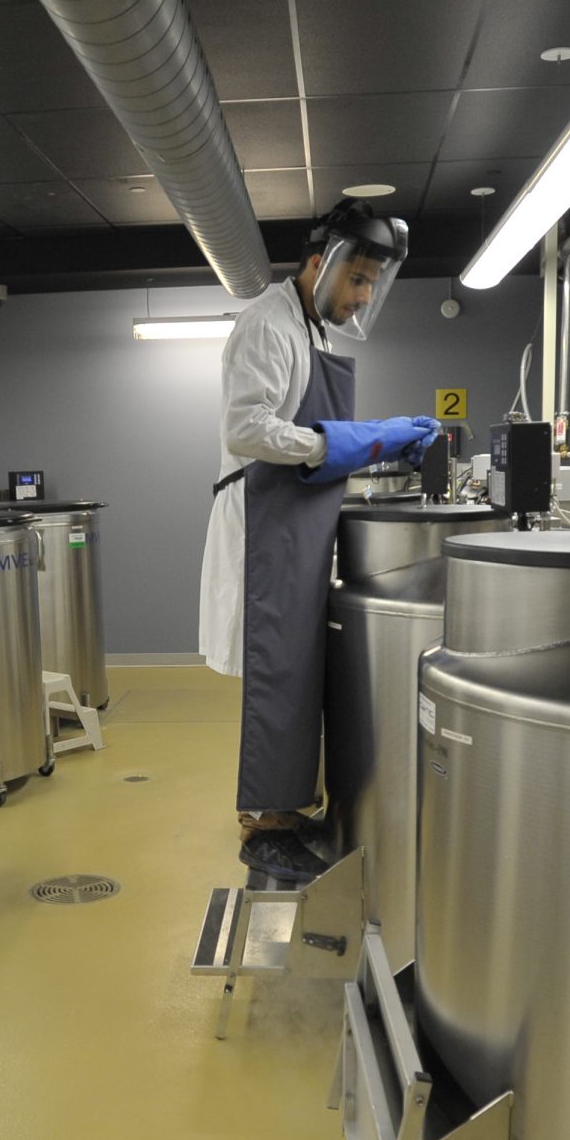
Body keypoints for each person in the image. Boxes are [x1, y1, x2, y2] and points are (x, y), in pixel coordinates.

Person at [197, 199, 437, 882]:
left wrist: (360, 451)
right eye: (357, 279)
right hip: (267, 520)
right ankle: (265, 827)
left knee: (297, 669)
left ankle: (279, 810)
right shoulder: (267, 324)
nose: (362, 295)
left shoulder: (313, 332)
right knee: (277, 670)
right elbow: (246, 428)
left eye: (370, 284)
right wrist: (336, 443)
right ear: (318, 264)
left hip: (299, 519)